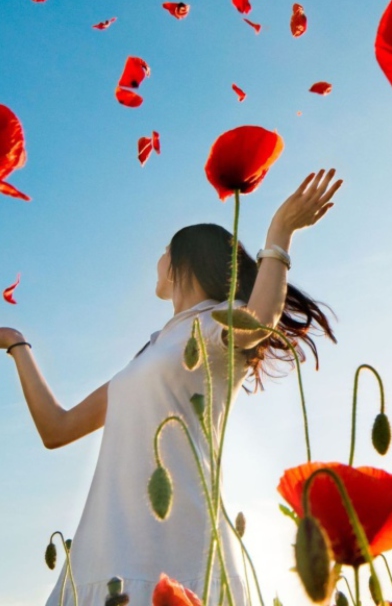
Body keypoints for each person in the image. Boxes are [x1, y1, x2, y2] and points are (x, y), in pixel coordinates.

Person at [1, 167, 343, 606]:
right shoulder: (150, 353)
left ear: (187, 258)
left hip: (174, 548)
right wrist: (16, 344)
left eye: (165, 250)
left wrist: (280, 232)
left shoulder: (220, 323)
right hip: (100, 550)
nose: (157, 260)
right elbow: (58, 428)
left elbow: (259, 322)